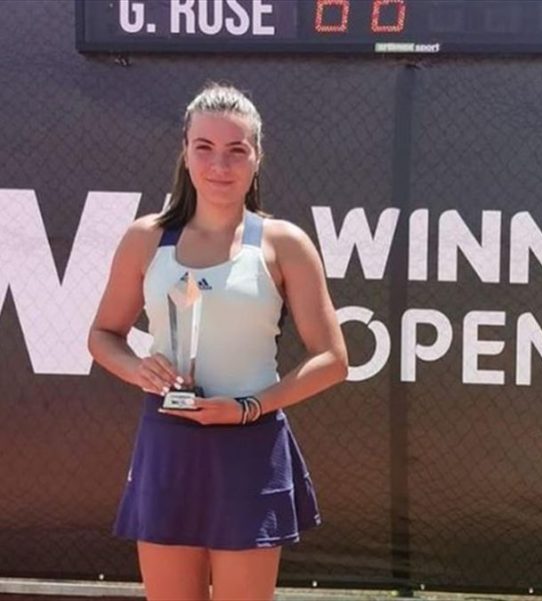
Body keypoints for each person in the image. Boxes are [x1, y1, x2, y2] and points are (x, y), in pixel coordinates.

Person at [87, 83, 348, 600]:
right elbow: (102, 337)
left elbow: (333, 360)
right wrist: (140, 370)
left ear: (257, 158)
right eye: (204, 148)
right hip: (167, 443)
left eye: (236, 150)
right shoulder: (146, 238)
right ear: (185, 153)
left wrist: (248, 408)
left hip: (251, 448)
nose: (219, 165)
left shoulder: (283, 244)